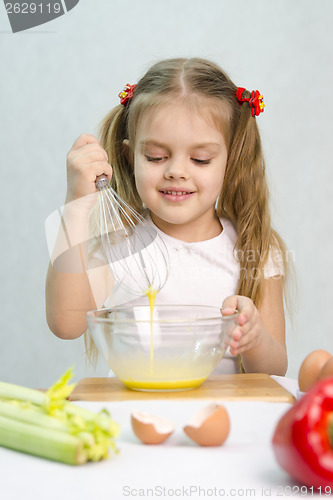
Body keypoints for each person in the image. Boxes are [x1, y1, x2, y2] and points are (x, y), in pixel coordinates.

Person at [45, 57, 289, 376]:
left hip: (224, 418)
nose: (176, 171)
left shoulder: (256, 248)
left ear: (232, 162)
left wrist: (254, 339)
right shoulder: (121, 244)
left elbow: (276, 370)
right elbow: (65, 323)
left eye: (200, 160)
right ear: (129, 156)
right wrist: (76, 204)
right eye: (156, 157)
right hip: (137, 417)